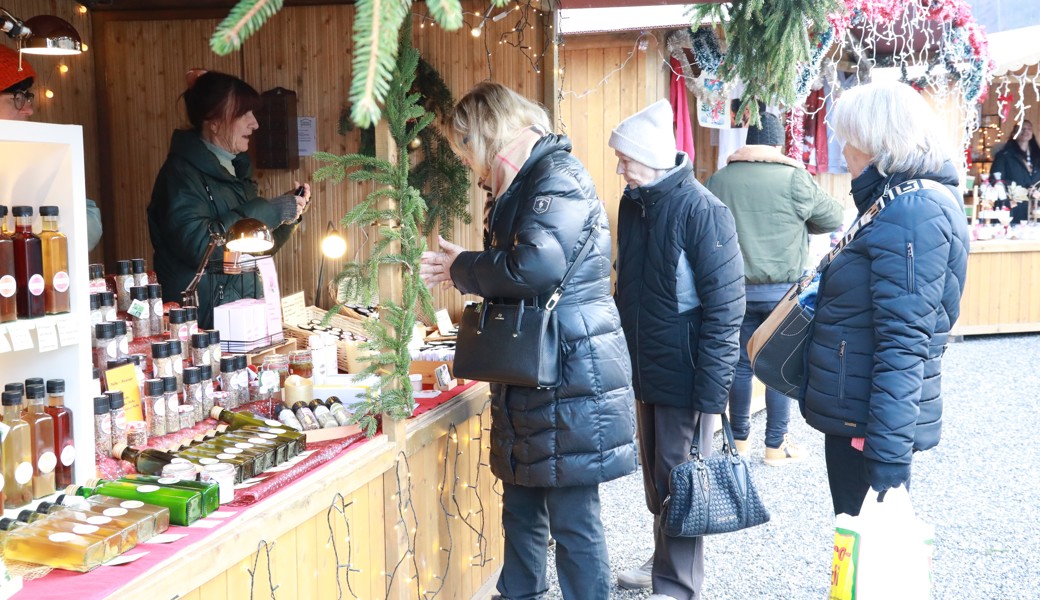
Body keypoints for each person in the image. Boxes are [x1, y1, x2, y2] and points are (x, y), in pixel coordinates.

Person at [419, 81, 637, 600]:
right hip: (537, 366)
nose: (467, 161)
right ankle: (519, 591)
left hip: (568, 369)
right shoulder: (526, 180)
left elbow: (535, 266)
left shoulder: (554, 176)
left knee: (572, 518)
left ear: (489, 133)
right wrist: (469, 267)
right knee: (521, 505)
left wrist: (464, 267)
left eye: (466, 146)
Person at [807, 80, 969, 516]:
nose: (843, 150)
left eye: (849, 138)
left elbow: (905, 342)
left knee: (867, 543)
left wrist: (888, 460)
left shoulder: (912, 211)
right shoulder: (899, 204)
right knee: (856, 544)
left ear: (877, 141)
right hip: (864, 409)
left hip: (870, 420)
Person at [609, 99, 745, 599]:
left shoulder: (703, 211)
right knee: (659, 482)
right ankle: (663, 562)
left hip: (686, 375)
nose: (620, 170)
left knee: (682, 481)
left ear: (652, 157)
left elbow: (727, 308)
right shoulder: (635, 205)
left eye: (626, 160)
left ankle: (678, 585)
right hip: (645, 367)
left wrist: (711, 394)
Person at [706, 111, 844, 465]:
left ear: (747, 143)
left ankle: (738, 443)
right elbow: (832, 217)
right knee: (778, 364)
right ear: (778, 145)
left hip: (733, 289)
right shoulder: (794, 178)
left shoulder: (719, 180)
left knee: (739, 365)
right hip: (782, 294)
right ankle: (775, 445)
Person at [148, 70, 310, 329]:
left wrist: (287, 217)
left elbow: (253, 249)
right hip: (200, 326)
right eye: (244, 113)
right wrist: (268, 211)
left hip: (240, 318)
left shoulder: (236, 172)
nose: (255, 123)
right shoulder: (179, 175)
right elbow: (201, 246)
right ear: (213, 121)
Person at [1, 45, 103, 251]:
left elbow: (90, 226)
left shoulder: (37, 153)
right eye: (17, 98)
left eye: (27, 97)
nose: (28, 110)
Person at [990, 119, 1040, 223]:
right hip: (1012, 207)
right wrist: (1016, 189)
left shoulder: (1038, 156)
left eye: (1029, 129)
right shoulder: (1004, 155)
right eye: (1021, 128)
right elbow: (995, 180)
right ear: (1014, 133)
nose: (1025, 131)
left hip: (1035, 208)